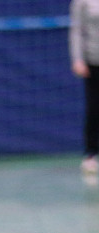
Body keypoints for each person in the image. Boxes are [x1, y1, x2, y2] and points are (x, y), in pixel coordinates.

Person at [71, 0, 99, 174]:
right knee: (94, 108)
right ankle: (91, 154)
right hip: (93, 60)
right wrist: (78, 59)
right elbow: (77, 30)